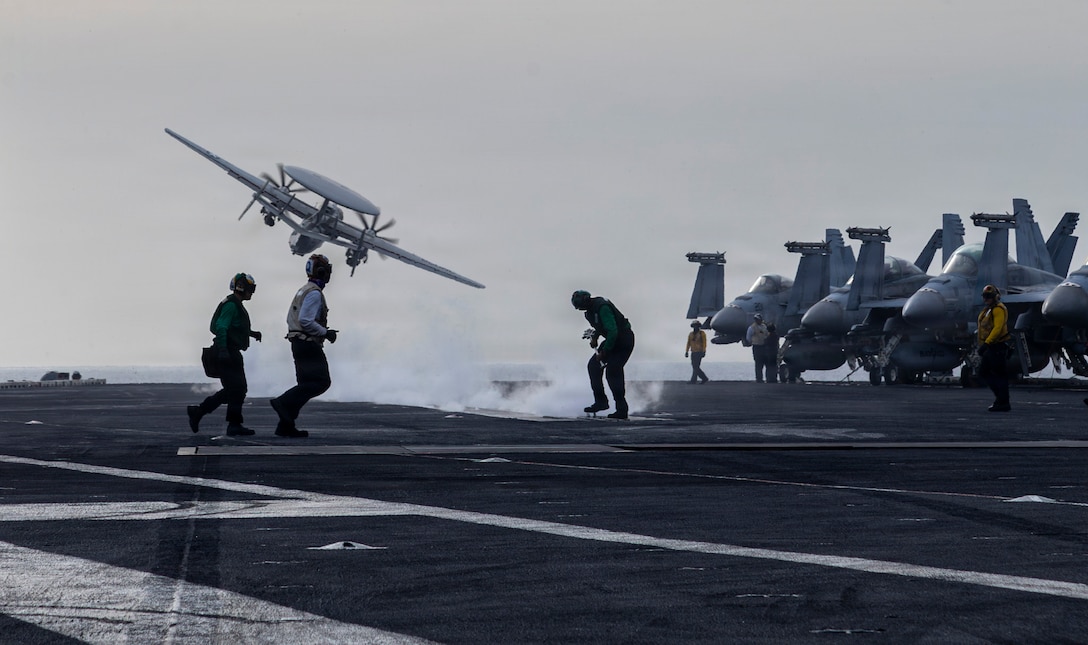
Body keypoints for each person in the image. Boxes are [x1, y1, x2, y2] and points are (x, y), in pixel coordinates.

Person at [269, 254, 338, 437]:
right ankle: (282, 402)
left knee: (305, 384)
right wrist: (325, 333)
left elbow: (292, 318)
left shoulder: (303, 290)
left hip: (298, 342)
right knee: (321, 382)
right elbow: (306, 320)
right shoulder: (314, 293)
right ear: (322, 272)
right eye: (327, 271)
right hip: (307, 343)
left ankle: (286, 425)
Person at [188, 273, 261, 436]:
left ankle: (200, 412)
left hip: (230, 351)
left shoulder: (235, 303)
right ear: (242, 287)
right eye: (250, 288)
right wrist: (223, 350)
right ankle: (231, 424)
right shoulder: (231, 305)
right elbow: (221, 327)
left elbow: (234, 327)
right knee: (237, 389)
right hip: (227, 351)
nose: (252, 292)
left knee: (235, 390)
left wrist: (251, 333)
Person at [571, 290, 635, 419]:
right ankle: (601, 402)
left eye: (582, 306)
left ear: (586, 300)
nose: (581, 309)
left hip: (623, 340)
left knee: (613, 371)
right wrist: (595, 337)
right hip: (612, 340)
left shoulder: (602, 307)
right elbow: (601, 327)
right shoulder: (589, 311)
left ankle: (621, 409)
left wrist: (604, 351)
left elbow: (612, 330)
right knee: (593, 367)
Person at [977, 284, 1011, 412]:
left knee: (998, 375)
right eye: (985, 297)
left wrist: (987, 343)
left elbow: (997, 328)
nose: (986, 299)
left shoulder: (998, 310)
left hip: (997, 346)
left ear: (995, 297)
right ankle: (1001, 400)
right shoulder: (988, 310)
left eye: (989, 297)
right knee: (985, 373)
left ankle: (1003, 402)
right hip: (991, 346)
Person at [744, 313, 772, 382]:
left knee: (767, 363)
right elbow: (748, 337)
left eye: (758, 319)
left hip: (764, 347)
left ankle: (768, 379)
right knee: (759, 364)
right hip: (757, 347)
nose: (757, 321)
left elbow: (767, 334)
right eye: (756, 319)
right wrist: (752, 342)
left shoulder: (764, 326)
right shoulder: (752, 327)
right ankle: (759, 379)